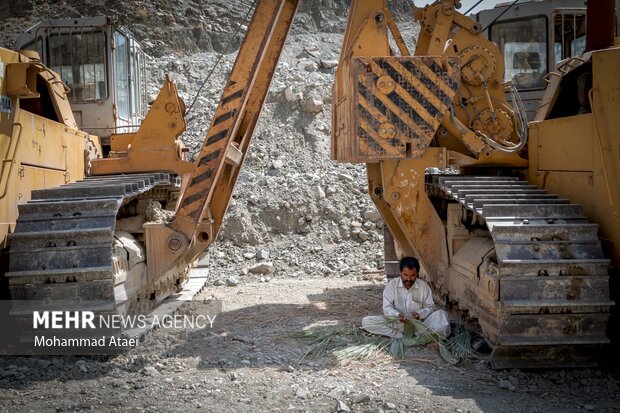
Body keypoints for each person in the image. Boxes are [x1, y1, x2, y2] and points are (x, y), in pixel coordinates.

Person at [362, 256, 451, 338]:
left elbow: (430, 307)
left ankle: (419, 335)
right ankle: (399, 336)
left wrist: (419, 314)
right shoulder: (392, 285)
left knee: (442, 315)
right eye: (406, 275)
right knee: (366, 322)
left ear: (417, 274)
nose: (409, 279)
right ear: (400, 272)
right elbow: (387, 308)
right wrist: (397, 315)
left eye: (412, 275)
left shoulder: (423, 287)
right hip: (397, 324)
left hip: (419, 325)